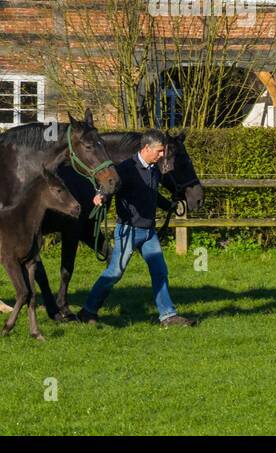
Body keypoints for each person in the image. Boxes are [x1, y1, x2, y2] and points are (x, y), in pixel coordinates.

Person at [77, 129, 196, 327]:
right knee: (114, 273)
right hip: (128, 231)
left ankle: (168, 315)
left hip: (149, 233)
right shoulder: (126, 168)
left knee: (160, 272)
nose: (161, 155)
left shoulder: (153, 169)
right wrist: (102, 196)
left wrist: (169, 206)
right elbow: (111, 187)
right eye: (158, 151)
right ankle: (87, 311)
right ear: (146, 148)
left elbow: (152, 194)